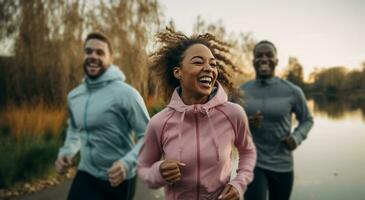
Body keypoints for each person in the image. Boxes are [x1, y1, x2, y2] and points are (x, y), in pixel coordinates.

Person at [137, 28, 257, 200]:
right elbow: (143, 168)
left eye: (213, 64)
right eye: (198, 62)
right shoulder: (159, 122)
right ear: (178, 72)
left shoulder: (233, 114)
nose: (209, 68)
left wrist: (239, 184)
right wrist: (158, 172)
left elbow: (248, 152)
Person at [54, 32, 150, 200]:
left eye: (100, 53)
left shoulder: (126, 94)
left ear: (110, 59)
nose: (93, 56)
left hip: (118, 178)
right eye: (89, 51)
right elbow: (75, 130)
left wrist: (127, 164)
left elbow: (150, 135)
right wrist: (67, 152)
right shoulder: (74, 96)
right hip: (86, 173)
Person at [240, 40, 314, 200]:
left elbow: (307, 119)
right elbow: (227, 122)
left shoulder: (293, 91)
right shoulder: (241, 92)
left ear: (276, 61)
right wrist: (245, 122)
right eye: (259, 56)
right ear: (253, 61)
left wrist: (296, 138)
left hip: (282, 164)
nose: (264, 59)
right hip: (252, 162)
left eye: (269, 55)